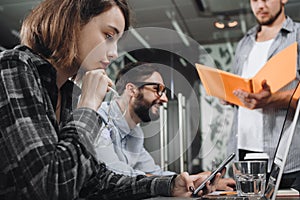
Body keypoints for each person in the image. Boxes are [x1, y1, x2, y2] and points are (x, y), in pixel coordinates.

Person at [0, 0, 221, 199]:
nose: (114, 52)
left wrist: (170, 185)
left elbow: (92, 182)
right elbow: (51, 188)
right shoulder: (13, 65)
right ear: (72, 23)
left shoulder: (64, 92)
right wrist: (88, 105)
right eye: (108, 35)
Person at [96, 61, 236, 191]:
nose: (165, 99)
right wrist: (184, 181)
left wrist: (195, 180)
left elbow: (155, 173)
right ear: (132, 90)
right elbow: (117, 175)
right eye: (157, 89)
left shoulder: (135, 133)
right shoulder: (98, 118)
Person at [226, 0, 300, 191]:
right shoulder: (245, 42)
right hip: (242, 152)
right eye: (254, 0)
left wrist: (272, 100)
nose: (260, 5)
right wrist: (229, 94)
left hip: (286, 156)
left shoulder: (298, 35)